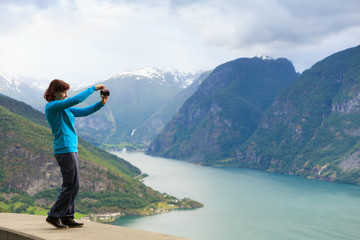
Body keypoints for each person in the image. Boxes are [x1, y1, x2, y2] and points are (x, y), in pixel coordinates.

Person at [43, 79, 109, 228]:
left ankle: (67, 216)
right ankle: (54, 215)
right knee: (70, 184)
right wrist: (93, 88)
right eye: (64, 91)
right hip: (64, 149)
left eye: (67, 92)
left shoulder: (65, 108)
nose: (66, 94)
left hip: (71, 149)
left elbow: (84, 111)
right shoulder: (52, 107)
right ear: (55, 92)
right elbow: (77, 100)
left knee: (75, 185)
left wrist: (101, 103)